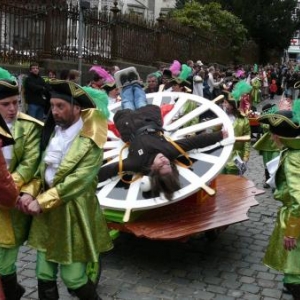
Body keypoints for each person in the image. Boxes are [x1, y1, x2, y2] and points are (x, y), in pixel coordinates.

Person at [18, 80, 113, 300]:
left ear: (77, 108)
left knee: (74, 278)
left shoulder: (91, 139)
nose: (55, 112)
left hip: (73, 213)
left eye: (60, 106)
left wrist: (42, 201)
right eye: (52, 106)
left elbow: (77, 181)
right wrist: (29, 192)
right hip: (47, 215)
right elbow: (42, 170)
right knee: (43, 272)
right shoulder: (53, 133)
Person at [98, 89, 227, 200]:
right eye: (168, 164)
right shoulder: (169, 151)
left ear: (152, 170)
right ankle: (135, 84)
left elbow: (109, 170)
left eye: (161, 165)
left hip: (130, 123)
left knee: (127, 102)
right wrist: (220, 135)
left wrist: (82, 181)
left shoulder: (137, 163)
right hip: (147, 118)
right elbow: (194, 142)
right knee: (141, 100)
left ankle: (126, 85)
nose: (165, 160)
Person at [0, 67, 43, 300]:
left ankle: (12, 292)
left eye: (16, 102)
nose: (13, 109)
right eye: (6, 104)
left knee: (6, 257)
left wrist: (6, 187)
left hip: (12, 200)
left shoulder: (30, 126)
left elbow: (29, 164)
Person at [258, 105, 300, 300]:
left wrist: (291, 230)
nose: (272, 138)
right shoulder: (293, 152)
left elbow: (298, 199)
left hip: (294, 218)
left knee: (294, 262)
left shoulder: (293, 158)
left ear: (280, 137)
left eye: (273, 134)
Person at [221, 88, 251, 175]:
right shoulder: (221, 117)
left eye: (226, 103)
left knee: (232, 182)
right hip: (221, 154)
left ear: (232, 105)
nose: (223, 104)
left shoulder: (243, 120)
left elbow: (247, 140)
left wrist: (245, 157)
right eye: (223, 102)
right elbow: (214, 131)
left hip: (235, 155)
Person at [253, 103, 281, 188]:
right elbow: (265, 126)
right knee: (267, 164)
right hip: (266, 146)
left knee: (275, 163)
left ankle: (275, 181)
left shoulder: (278, 119)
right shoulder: (263, 120)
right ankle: (267, 180)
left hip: (276, 145)